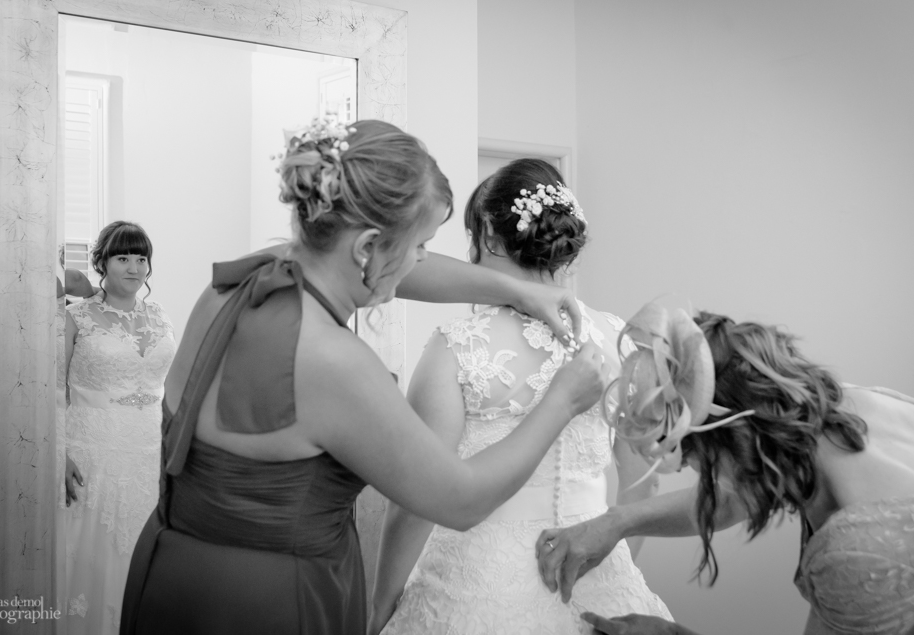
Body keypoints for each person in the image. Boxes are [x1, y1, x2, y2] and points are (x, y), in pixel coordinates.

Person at [119, 120, 612, 635]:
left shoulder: (235, 285)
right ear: (367, 247)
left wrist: (516, 292)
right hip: (267, 604)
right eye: (421, 244)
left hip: (171, 575)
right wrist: (561, 400)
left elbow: (399, 273)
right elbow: (461, 499)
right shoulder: (333, 361)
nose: (422, 259)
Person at [369, 160, 672, 634]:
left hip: (473, 594)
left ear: (490, 234)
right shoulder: (619, 342)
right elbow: (641, 482)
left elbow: (415, 498)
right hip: (596, 580)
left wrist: (382, 603)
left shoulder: (456, 346)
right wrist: (608, 560)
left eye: (472, 238)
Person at [536, 304, 914, 635]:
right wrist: (617, 522)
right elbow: (739, 493)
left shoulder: (857, 551)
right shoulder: (851, 411)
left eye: (700, 464)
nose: (702, 478)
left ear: (738, 447)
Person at [59, 221, 177, 634]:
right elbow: (50, 391)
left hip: (150, 455)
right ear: (102, 263)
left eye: (141, 258)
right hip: (93, 450)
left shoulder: (159, 315)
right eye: (123, 257)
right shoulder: (75, 317)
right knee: (95, 556)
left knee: (147, 557)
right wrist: (58, 451)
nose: (134, 267)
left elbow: (173, 388)